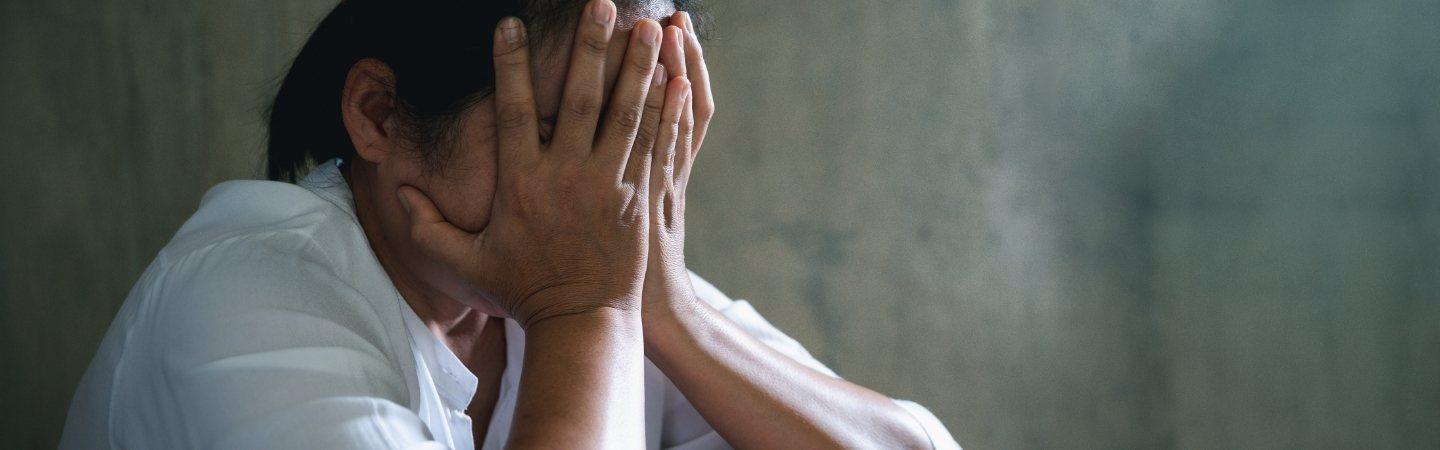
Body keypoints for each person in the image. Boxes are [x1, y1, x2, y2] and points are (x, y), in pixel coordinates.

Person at [60, 0, 960, 448]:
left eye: (629, 129)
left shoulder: (606, 284)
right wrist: (582, 310)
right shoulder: (243, 290)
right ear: (379, 114)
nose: (605, 187)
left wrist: (669, 310)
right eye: (554, 130)